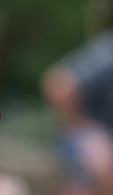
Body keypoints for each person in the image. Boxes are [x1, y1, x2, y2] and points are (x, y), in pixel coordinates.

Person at [42, 29, 113, 195]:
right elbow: (57, 83)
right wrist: (79, 126)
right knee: (100, 164)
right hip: (87, 136)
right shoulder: (107, 54)